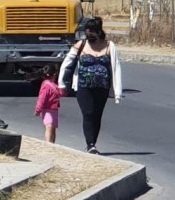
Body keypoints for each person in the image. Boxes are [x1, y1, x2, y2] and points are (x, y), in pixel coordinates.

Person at [58, 18, 123, 154]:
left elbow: (116, 67)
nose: (89, 37)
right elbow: (67, 64)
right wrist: (62, 84)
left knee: (97, 115)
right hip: (83, 87)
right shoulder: (80, 45)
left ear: (99, 32)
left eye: (92, 34)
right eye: (87, 34)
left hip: (102, 88)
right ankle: (90, 144)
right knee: (88, 113)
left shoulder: (109, 46)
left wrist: (118, 92)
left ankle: (93, 142)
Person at [34, 64, 61, 143]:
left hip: (53, 110)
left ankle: (52, 144)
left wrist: (37, 110)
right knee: (49, 127)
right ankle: (49, 144)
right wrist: (38, 110)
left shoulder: (53, 85)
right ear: (55, 74)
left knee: (52, 128)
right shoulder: (47, 86)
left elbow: (41, 99)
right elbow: (42, 99)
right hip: (48, 110)